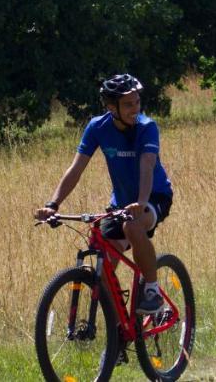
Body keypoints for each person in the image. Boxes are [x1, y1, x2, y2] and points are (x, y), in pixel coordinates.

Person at [35, 74, 175, 314]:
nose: (135, 109)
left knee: (132, 226)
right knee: (102, 269)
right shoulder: (97, 127)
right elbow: (76, 169)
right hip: (121, 203)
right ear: (112, 108)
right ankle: (119, 338)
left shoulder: (146, 127)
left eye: (137, 102)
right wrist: (53, 204)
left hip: (153, 196)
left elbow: (147, 165)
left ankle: (151, 289)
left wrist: (141, 203)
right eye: (128, 104)